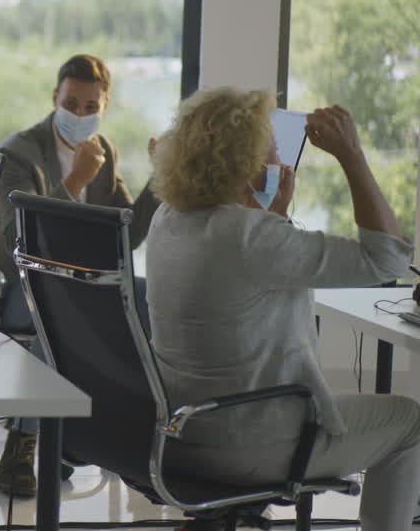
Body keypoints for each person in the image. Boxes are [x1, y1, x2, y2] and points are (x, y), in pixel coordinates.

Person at [146, 87, 419, 531]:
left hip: (183, 433)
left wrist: (273, 215)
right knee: (409, 422)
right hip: (252, 443)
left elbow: (244, 274)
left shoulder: (169, 220)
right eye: (271, 150)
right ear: (245, 163)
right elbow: (387, 260)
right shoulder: (248, 236)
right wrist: (351, 155)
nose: (278, 160)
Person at [0, 53, 160, 496]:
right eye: (71, 103)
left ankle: (126, 434)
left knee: (150, 298)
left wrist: (161, 177)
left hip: (77, 280)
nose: (80, 114)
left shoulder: (104, 152)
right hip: (11, 280)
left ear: (104, 106)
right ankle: (23, 440)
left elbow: (128, 233)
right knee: (56, 305)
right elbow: (22, 236)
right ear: (55, 98)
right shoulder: (18, 153)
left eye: (90, 107)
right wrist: (75, 182)